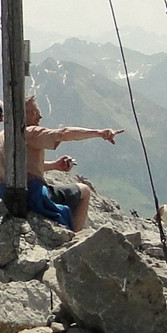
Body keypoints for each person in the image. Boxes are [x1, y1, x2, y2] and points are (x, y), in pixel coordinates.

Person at [20, 94, 123, 232]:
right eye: (35, 113)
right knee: (84, 190)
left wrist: (55, 165)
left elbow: (25, 167)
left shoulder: (4, 135)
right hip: (34, 194)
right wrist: (99, 133)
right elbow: (64, 133)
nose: (40, 116)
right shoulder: (29, 132)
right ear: (23, 115)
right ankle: (75, 236)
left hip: (11, 192)